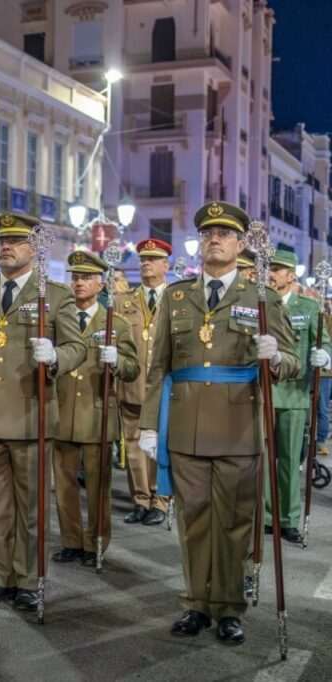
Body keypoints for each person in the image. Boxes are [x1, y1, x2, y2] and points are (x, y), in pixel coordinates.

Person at [139, 201, 299, 645]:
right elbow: (158, 368)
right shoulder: (176, 296)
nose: (215, 238)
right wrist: (150, 426)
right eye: (208, 232)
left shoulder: (261, 298)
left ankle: (229, 607)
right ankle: (196, 603)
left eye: (224, 234)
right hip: (186, 427)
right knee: (193, 521)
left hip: (238, 429)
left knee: (232, 524)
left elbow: (293, 362)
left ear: (240, 244)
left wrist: (276, 356)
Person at [0, 212, 86, 611]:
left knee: (30, 508)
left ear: (35, 248)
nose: (6, 246)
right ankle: (1, 577)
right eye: (2, 240)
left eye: (15, 240)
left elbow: (78, 347)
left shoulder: (55, 294)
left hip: (32, 414)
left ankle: (30, 579)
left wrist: (56, 356)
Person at [51, 250, 138, 565]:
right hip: (62, 411)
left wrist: (118, 362)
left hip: (97, 411)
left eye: (86, 278)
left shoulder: (118, 323)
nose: (79, 283)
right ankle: (72, 541)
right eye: (75, 277)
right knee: (63, 484)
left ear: (101, 285)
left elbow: (133, 369)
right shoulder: (58, 318)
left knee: (99, 487)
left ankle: (96, 543)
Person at [267, 248, 330, 543]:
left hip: (293, 394)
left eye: (278, 269)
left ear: (291, 275)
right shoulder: (261, 302)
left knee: (290, 460)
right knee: (266, 459)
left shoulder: (308, 306)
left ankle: (288, 518)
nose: (272, 273)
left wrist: (324, 357)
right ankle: (268, 516)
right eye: (271, 267)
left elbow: (326, 344)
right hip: (264, 392)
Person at [114, 239, 173, 526]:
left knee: (161, 445)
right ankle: (140, 499)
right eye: (143, 258)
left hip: (164, 388)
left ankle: (161, 500)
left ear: (166, 265)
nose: (146, 263)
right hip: (132, 385)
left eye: (153, 258)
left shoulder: (177, 300)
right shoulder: (122, 301)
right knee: (135, 447)